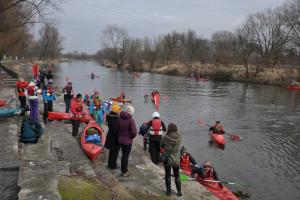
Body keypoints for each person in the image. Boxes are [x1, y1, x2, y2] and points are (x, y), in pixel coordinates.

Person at [160, 123, 182, 196]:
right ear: (176, 129)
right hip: (176, 159)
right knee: (177, 175)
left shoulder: (165, 137)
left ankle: (168, 192)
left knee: (168, 175)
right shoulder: (179, 137)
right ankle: (179, 192)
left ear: (169, 129)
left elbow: (161, 146)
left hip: (167, 158)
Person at [117, 105, 137, 177]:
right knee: (126, 156)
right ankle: (124, 171)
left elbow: (117, 128)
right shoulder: (131, 120)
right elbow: (134, 132)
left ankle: (123, 170)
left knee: (123, 155)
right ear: (132, 112)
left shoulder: (120, 118)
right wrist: (131, 137)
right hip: (128, 141)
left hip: (120, 140)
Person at [105, 103, 121, 169]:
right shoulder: (115, 119)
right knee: (115, 153)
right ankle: (113, 165)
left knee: (111, 152)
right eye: (119, 110)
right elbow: (116, 130)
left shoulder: (110, 117)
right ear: (116, 110)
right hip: (114, 138)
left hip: (110, 136)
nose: (119, 111)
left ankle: (110, 164)